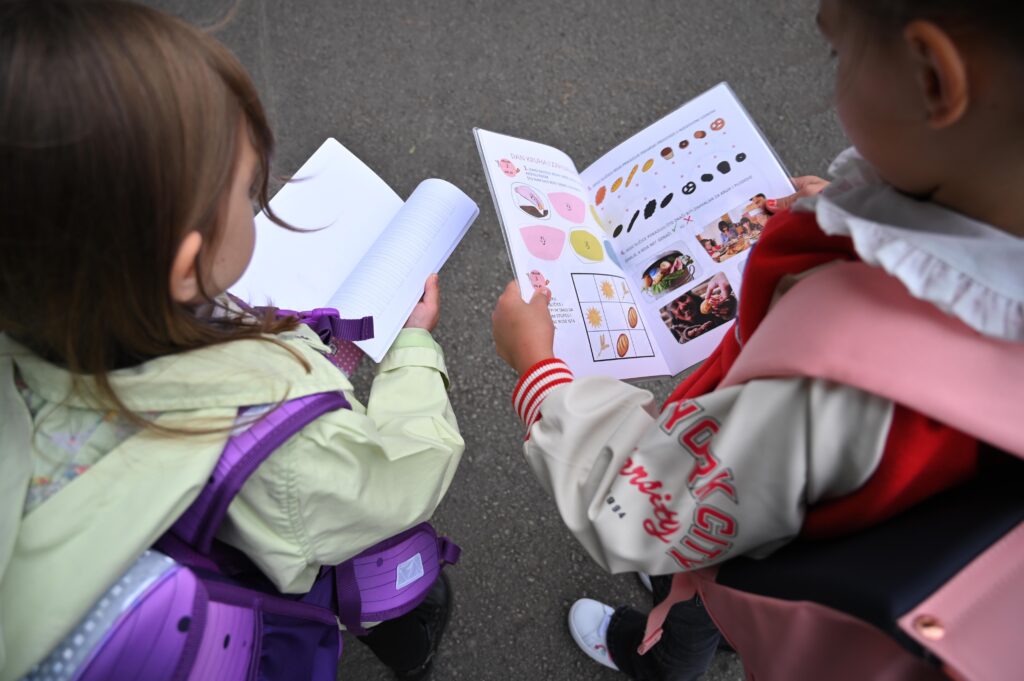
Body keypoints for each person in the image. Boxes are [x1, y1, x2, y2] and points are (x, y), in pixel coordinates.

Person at [491, 0, 1023, 678]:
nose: (835, 76)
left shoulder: (844, 386)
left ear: (933, 79)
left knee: (694, 605)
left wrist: (539, 367)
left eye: (839, 52)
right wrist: (853, 216)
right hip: (835, 543)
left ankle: (663, 662)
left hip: (761, 561)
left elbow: (647, 506)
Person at [0, 3, 464, 680]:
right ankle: (408, 639)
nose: (259, 202)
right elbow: (399, 482)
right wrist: (416, 352)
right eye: (249, 196)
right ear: (185, 268)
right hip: (269, 587)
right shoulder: (279, 440)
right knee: (369, 585)